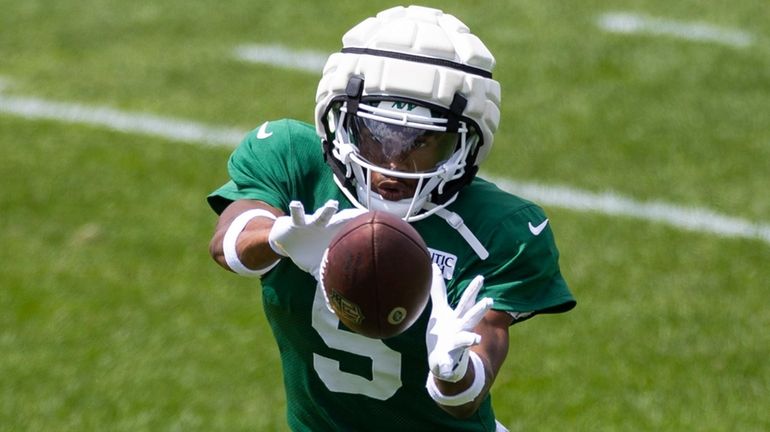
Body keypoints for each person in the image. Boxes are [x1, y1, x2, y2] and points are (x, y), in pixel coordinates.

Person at [207, 5, 575, 431]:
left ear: (464, 143)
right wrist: (275, 236)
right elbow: (227, 242)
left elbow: (466, 398)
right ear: (340, 121)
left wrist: (453, 373)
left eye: (422, 143)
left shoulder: (501, 229)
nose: (392, 165)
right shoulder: (293, 160)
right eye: (375, 135)